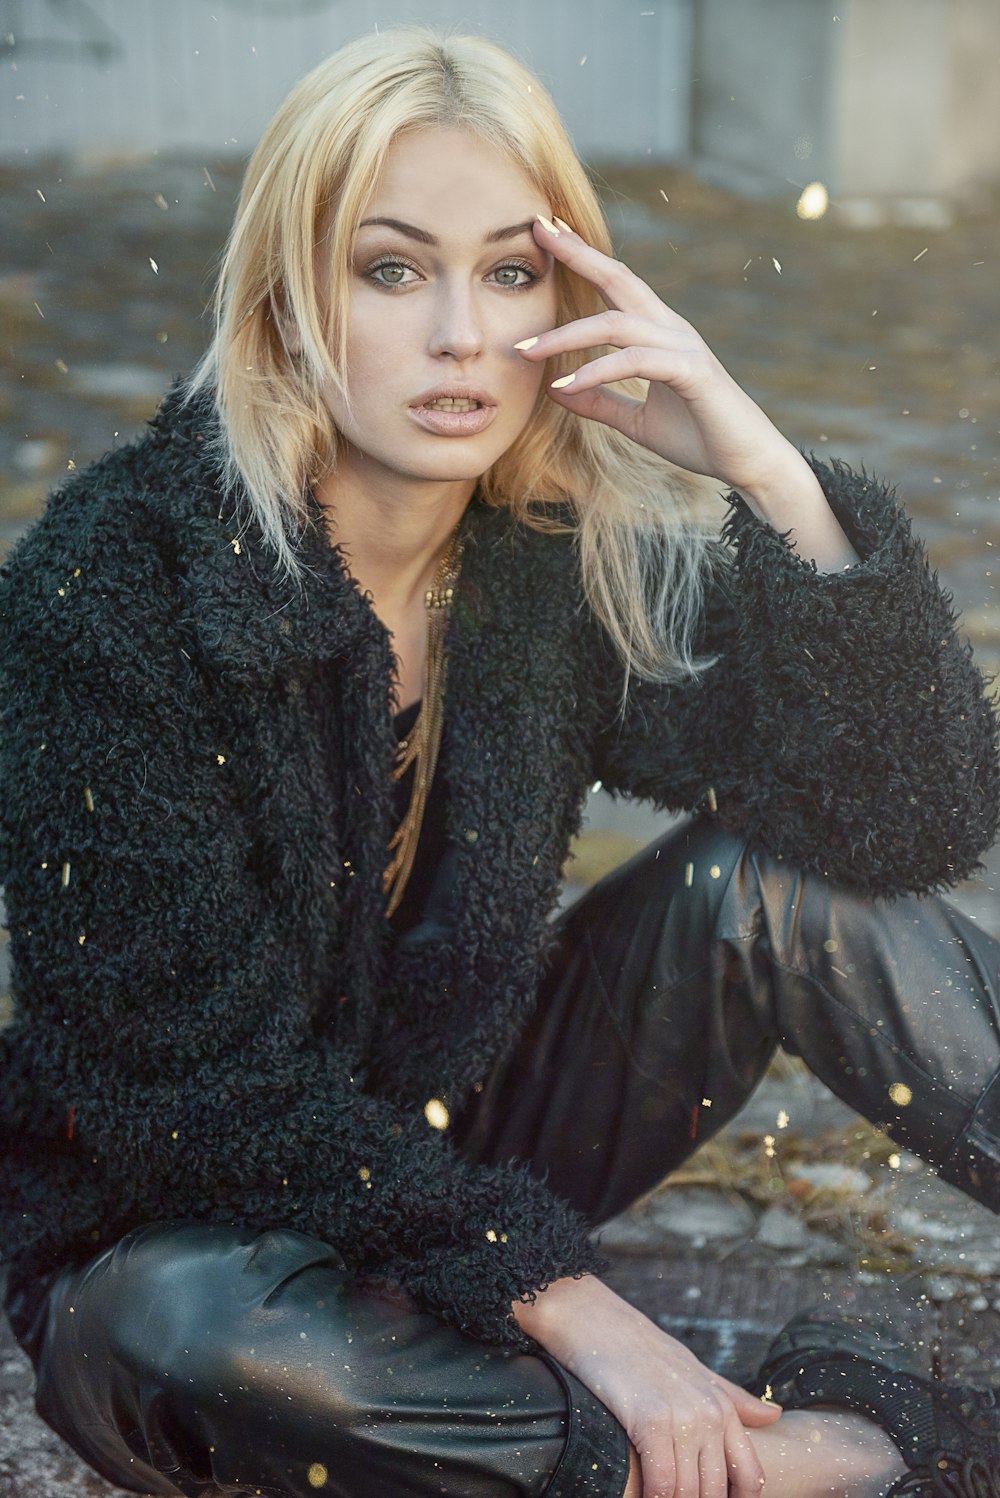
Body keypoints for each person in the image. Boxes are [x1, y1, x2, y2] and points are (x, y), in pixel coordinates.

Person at [1, 23, 998, 1498]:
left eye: (510, 271)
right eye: (391, 269)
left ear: (571, 297)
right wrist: (596, 1320)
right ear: (288, 296)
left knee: (775, 884)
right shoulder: (111, 585)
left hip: (458, 1152)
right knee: (199, 1328)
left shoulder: (544, 565)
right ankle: (815, 1458)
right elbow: (206, 1102)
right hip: (181, 1224)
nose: (463, 336)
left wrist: (762, 464)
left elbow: (900, 816)